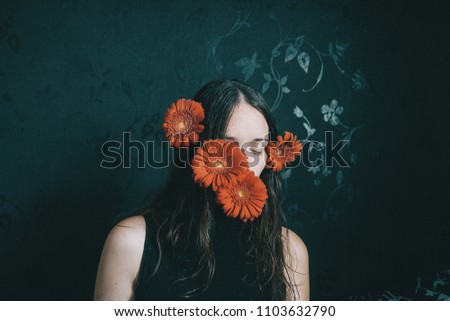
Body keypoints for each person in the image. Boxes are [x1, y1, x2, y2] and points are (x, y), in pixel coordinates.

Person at [93, 79, 309, 300]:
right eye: (227, 148)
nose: (243, 164)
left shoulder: (289, 252)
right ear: (194, 150)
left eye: (255, 149)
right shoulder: (132, 242)